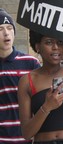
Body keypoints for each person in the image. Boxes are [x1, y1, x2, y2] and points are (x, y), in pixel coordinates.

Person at [17, 30, 63, 143]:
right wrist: (46, 107)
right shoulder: (27, 81)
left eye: (60, 42)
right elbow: (26, 133)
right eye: (49, 42)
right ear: (37, 46)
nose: (56, 47)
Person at [0, 8, 41, 143]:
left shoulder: (30, 63)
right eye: (0, 29)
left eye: (9, 28)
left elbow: (41, 100)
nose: (6, 33)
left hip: (28, 138)